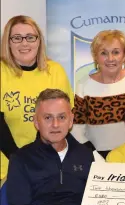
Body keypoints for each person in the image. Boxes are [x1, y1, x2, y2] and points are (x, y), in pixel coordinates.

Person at [6, 89, 96, 205]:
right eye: (48, 118)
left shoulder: (85, 155)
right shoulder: (20, 159)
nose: (55, 124)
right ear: (36, 122)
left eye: (61, 117)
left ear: (71, 120)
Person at [0, 15, 73, 180]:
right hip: (7, 166)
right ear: (8, 42)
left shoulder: (55, 71)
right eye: (17, 38)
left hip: (48, 164)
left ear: (39, 40)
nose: (24, 43)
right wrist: (20, 159)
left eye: (30, 37)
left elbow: (64, 119)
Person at [71, 30, 125, 159]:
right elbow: (76, 129)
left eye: (116, 52)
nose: (110, 58)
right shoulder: (83, 85)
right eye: (103, 53)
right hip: (96, 159)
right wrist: (94, 156)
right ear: (95, 56)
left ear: (124, 55)